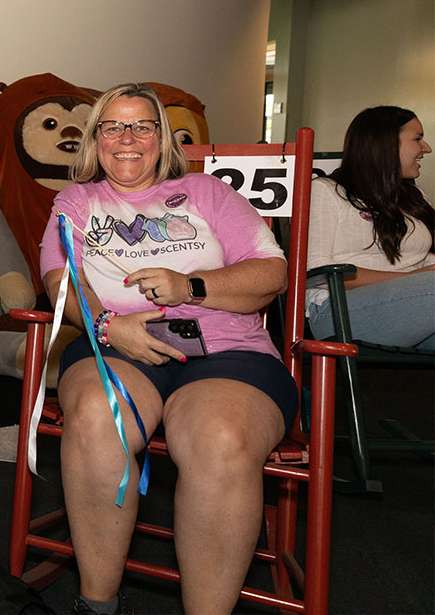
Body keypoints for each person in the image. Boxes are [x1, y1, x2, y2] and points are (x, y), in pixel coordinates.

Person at [38, 83, 296, 615]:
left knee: (219, 438)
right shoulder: (77, 201)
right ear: (95, 139)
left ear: (163, 139)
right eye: (112, 126)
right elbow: (60, 282)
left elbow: (272, 273)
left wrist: (191, 287)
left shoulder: (207, 194)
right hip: (118, 345)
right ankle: (97, 604)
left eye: (142, 126)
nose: (126, 138)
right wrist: (109, 327)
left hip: (227, 350)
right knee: (93, 415)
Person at [306, 106, 434, 349]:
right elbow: (317, 270)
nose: (426, 148)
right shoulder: (326, 191)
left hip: (414, 303)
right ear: (385, 144)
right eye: (417, 138)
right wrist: (409, 279)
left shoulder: (414, 197)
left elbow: (417, 258)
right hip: (336, 311)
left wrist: (421, 273)